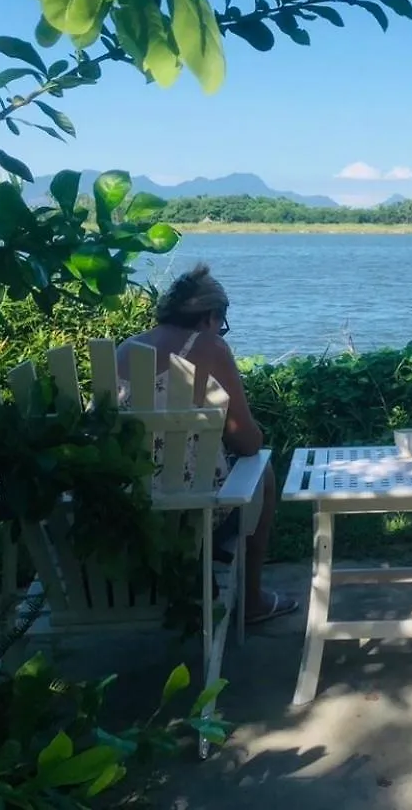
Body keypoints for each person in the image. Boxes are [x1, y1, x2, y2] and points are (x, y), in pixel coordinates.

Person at [116, 264, 297, 625]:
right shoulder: (210, 347)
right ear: (212, 317)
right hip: (192, 511)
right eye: (222, 323)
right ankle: (251, 601)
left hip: (127, 510)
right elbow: (247, 442)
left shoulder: (125, 349)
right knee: (262, 472)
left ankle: (200, 578)